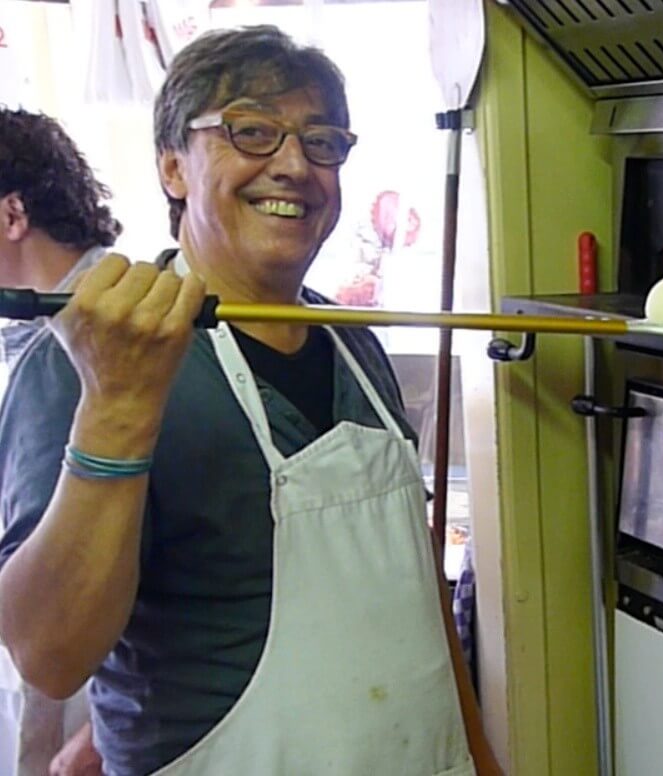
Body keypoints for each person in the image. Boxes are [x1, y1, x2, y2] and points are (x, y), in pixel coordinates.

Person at [0, 26, 500, 776]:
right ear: (173, 167)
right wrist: (118, 404)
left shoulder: (350, 345)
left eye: (323, 140)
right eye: (252, 132)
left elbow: (413, 591)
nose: (295, 165)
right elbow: (49, 656)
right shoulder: (85, 358)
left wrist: (480, 757)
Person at [0, 107, 116, 776]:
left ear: (13, 216)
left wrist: (98, 736)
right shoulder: (42, 328)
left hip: (85, 712)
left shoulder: (76, 341)